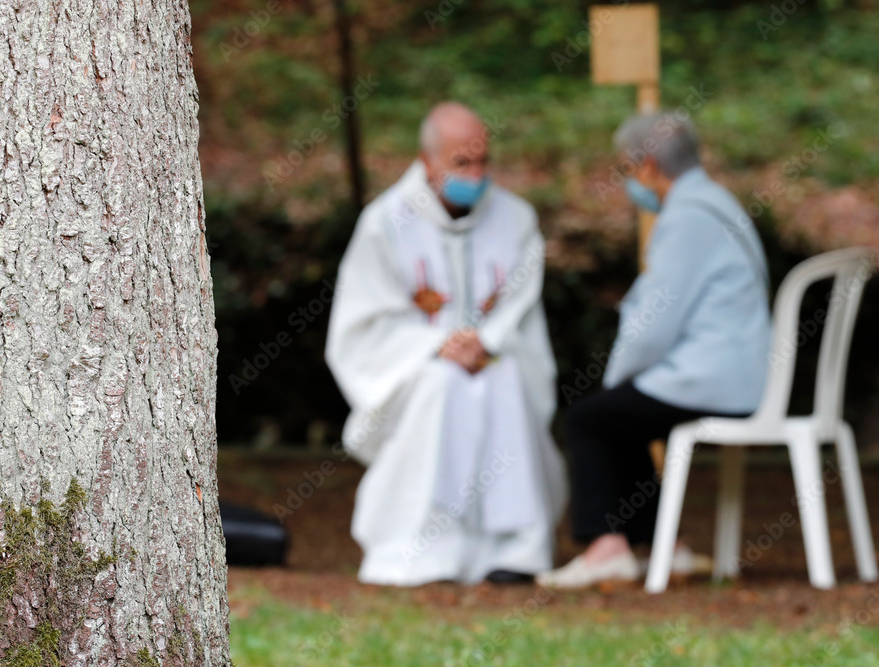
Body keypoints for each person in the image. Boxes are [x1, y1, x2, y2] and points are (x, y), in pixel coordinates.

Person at [325, 102, 567, 586]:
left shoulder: (516, 218)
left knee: (505, 380)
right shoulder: (385, 223)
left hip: (495, 356)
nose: (475, 174)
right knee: (443, 385)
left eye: (482, 161)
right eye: (461, 163)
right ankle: (426, 550)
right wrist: (437, 346)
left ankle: (514, 549)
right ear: (428, 160)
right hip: (419, 364)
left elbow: (520, 298)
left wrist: (486, 341)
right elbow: (365, 318)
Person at [537, 112, 772, 589]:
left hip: (712, 378)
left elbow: (652, 325)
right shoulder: (718, 203)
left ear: (646, 165)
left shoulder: (686, 218)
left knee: (591, 418)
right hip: (736, 371)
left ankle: (606, 547)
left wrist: (616, 377)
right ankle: (663, 546)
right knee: (621, 418)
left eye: (628, 167)